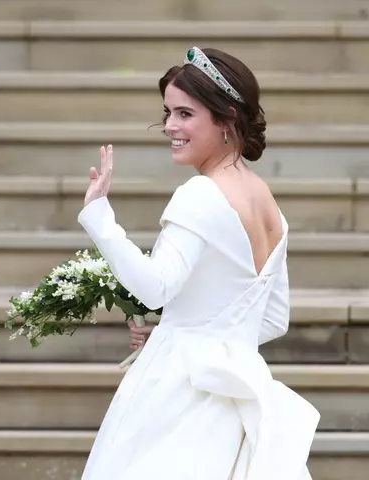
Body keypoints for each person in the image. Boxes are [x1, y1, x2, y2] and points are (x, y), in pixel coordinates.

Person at [77, 46, 320, 479]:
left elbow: (156, 288)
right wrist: (198, 328)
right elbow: (274, 319)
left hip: (180, 393)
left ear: (226, 117)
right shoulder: (269, 206)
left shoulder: (201, 194)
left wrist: (100, 218)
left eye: (185, 114)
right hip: (237, 394)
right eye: (168, 112)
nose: (170, 125)